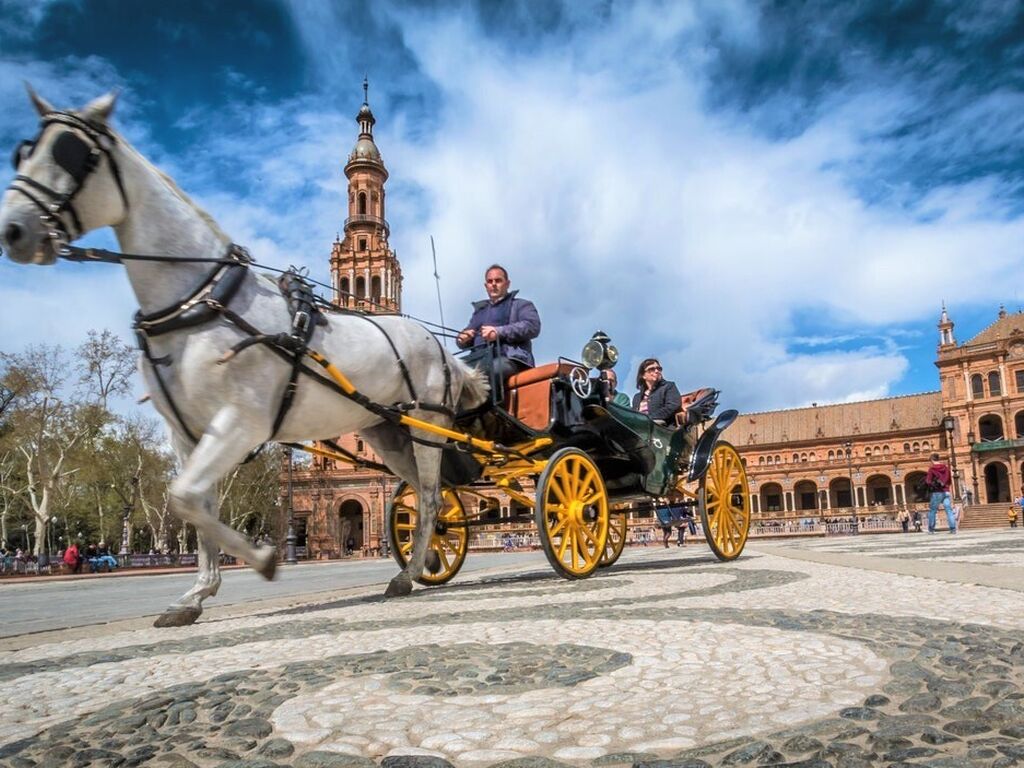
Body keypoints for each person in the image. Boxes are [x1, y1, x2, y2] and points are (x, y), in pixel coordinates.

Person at [456, 264, 541, 381]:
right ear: (486, 286)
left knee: (487, 372)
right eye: (490, 281)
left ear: (507, 284)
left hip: (512, 360)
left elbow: (532, 326)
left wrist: (498, 332)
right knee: (452, 377)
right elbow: (464, 339)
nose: (494, 284)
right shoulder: (479, 312)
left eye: (498, 280)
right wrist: (462, 338)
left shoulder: (521, 305)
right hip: (479, 361)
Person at [632, 358, 682, 425]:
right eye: (651, 369)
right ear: (643, 375)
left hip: (661, 428)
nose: (656, 371)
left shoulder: (668, 387)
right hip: (639, 429)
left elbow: (673, 406)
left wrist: (649, 418)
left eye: (659, 369)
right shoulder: (637, 397)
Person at [924, 453, 956, 533]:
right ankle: (953, 528)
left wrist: (932, 484)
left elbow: (928, 481)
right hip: (946, 491)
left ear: (932, 460)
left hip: (936, 492)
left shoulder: (932, 469)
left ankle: (931, 529)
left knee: (933, 510)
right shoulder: (946, 468)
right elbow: (949, 480)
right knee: (949, 510)